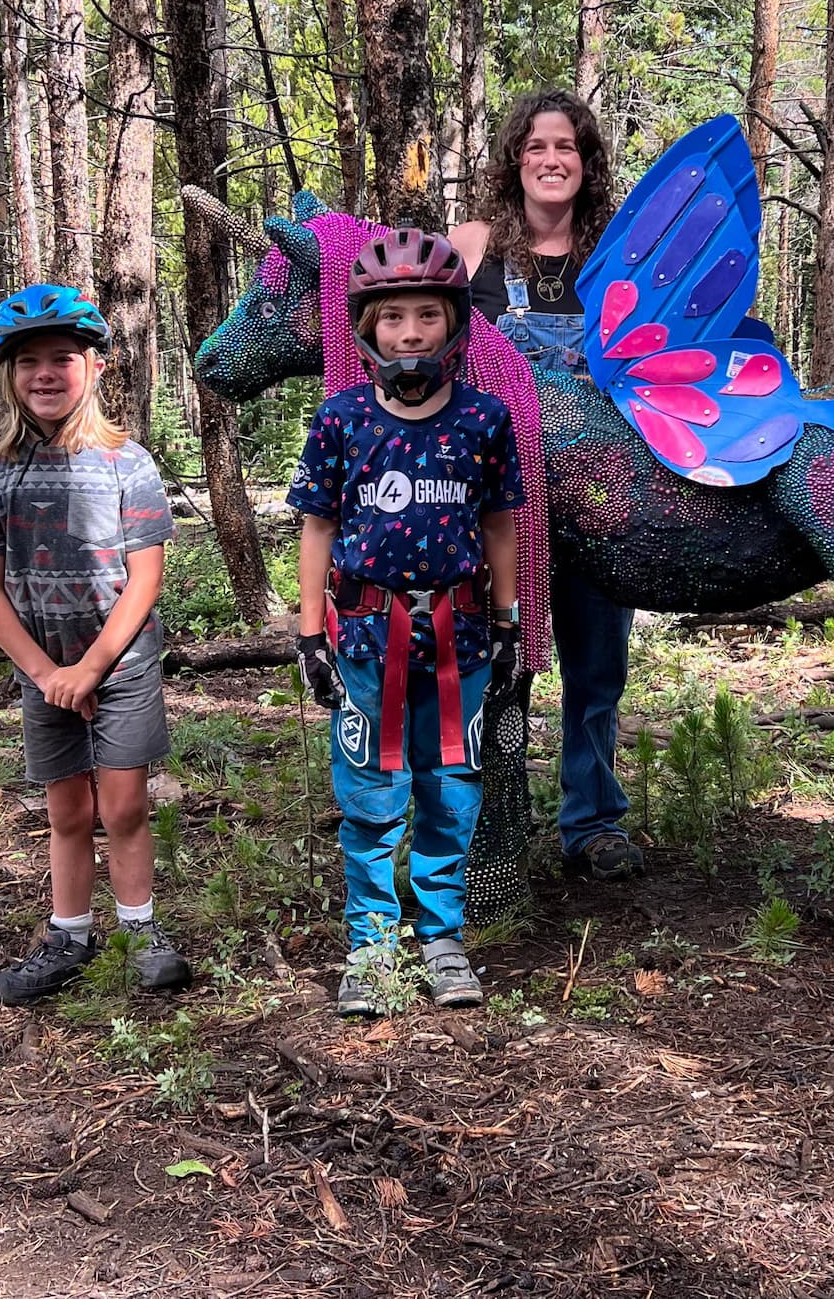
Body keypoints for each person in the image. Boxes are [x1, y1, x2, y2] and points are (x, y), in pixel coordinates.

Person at [290, 232, 524, 1017]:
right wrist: (309, 631)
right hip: (364, 636)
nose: (411, 331)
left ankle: (443, 935)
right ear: (366, 328)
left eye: (428, 313)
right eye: (393, 317)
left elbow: (499, 521)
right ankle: (370, 942)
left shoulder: (485, 420)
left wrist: (509, 619)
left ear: (455, 323)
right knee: (370, 787)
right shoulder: (341, 419)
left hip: (459, 637)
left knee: (451, 783)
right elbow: (318, 524)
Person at [0, 285, 190, 1004]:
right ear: (9, 375)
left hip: (119, 666)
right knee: (66, 810)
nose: (46, 373)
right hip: (45, 668)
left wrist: (91, 668)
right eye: (28, 360)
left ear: (94, 366)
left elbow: (144, 579)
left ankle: (140, 928)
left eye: (62, 357)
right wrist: (47, 672)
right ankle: (69, 935)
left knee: (122, 805)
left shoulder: (129, 464)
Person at [452, 91, 644, 883]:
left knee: (597, 668)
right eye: (536, 146)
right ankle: (491, 824)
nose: (552, 158)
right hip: (501, 504)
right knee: (500, 665)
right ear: (515, 161)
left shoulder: (622, 252)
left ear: (587, 162)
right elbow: (412, 332)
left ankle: (591, 821)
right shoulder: (473, 246)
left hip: (602, 502)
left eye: (566, 146)